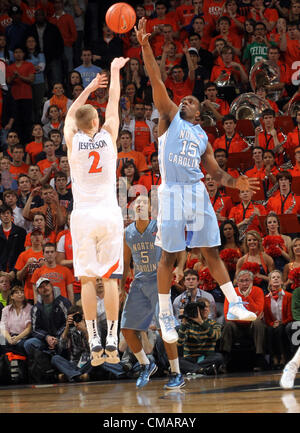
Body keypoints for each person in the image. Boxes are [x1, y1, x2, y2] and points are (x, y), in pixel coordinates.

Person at [135, 17, 258, 389]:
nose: (183, 99)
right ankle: (164, 313)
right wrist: (144, 46)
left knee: (211, 252)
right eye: (182, 98)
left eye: (188, 99)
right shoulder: (169, 120)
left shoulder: (202, 134)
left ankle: (234, 301)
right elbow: (157, 80)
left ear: (198, 113)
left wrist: (236, 182)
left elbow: (217, 174)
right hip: (172, 192)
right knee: (168, 258)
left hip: (198, 191)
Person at [63, 58, 128, 366]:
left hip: (83, 216)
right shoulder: (108, 136)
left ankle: (93, 341)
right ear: (96, 123)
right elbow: (114, 100)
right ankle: (112, 339)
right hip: (109, 214)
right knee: (111, 278)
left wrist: (87, 89)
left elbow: (69, 115)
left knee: (88, 280)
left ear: (78, 125)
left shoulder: (72, 140)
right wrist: (114, 72)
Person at [120, 195, 161, 388]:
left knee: (165, 329)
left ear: (151, 209)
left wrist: (177, 268)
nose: (139, 205)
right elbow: (126, 262)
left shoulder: (158, 226)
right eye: (136, 203)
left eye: (143, 202)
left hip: (159, 281)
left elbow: (176, 250)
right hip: (139, 282)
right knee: (126, 329)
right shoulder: (127, 232)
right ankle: (146, 364)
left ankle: (176, 370)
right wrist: (121, 288)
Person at [220, 270, 266, 372]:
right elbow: (228, 315)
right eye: (241, 281)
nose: (244, 283)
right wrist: (247, 316)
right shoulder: (232, 293)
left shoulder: (258, 291)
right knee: (228, 325)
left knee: (258, 323)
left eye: (247, 280)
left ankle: (259, 358)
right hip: (237, 327)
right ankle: (224, 360)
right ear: (237, 282)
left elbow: (258, 312)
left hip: (251, 327)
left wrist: (247, 296)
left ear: (252, 282)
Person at [23, 277, 71, 357]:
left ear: (52, 287)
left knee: (68, 338)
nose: (45, 288)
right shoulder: (35, 308)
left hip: (63, 336)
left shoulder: (64, 302)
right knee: (28, 344)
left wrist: (57, 338)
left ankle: (63, 361)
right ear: (38, 291)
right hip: (45, 340)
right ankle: (44, 363)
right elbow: (35, 329)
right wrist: (47, 337)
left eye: (47, 285)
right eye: (41, 287)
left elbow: (69, 322)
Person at [177, 297, 224, 375]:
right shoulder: (188, 324)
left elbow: (216, 336)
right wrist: (184, 323)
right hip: (191, 358)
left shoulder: (214, 324)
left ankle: (193, 369)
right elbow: (179, 343)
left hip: (207, 357)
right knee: (177, 361)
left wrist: (201, 322)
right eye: (202, 307)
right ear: (197, 309)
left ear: (209, 309)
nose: (205, 309)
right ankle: (203, 370)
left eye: (207, 307)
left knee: (219, 357)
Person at [50, 305, 91, 382]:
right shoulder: (70, 330)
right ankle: (78, 376)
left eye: (77, 317)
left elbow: (94, 347)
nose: (75, 320)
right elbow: (61, 347)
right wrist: (67, 328)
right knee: (55, 358)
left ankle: (70, 375)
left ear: (83, 316)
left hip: (88, 362)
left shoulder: (91, 327)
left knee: (97, 360)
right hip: (74, 362)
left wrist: (85, 331)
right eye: (73, 318)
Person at [264, 270, 292, 370]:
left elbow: (290, 315)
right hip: (273, 324)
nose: (276, 279)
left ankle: (284, 357)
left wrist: (281, 322)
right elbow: (267, 317)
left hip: (285, 323)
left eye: (278, 277)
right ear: (270, 282)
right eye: (273, 277)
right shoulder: (266, 298)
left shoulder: (288, 296)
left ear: (281, 282)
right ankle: (274, 358)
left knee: (279, 329)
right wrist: (272, 323)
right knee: (269, 330)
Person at [235, 230, 275, 294]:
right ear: (246, 243)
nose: (252, 242)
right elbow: (235, 281)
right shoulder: (241, 260)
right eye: (249, 240)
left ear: (258, 242)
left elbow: (273, 280)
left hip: (264, 292)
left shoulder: (267, 258)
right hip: (246, 293)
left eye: (254, 240)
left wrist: (260, 276)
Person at [0, 285, 32, 356]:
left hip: (23, 337)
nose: (20, 294)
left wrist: (17, 338)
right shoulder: (6, 310)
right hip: (10, 336)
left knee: (21, 344)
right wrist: (9, 339)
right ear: (12, 296)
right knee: (1, 339)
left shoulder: (29, 308)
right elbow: (3, 327)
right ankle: (5, 361)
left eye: (22, 292)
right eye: (17, 292)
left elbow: (29, 328)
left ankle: (22, 363)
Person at [15, 227, 44, 303]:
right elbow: (19, 277)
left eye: (39, 234)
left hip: (46, 292)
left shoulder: (48, 253)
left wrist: (45, 266)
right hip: (29, 294)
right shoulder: (24, 255)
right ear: (30, 237)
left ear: (42, 237)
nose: (37, 237)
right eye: (34, 235)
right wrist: (26, 266)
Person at [0, 203, 26, 278]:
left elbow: (22, 253)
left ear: (11, 215)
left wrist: (14, 270)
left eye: (8, 213)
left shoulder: (21, 232)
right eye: (3, 213)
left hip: (17, 272)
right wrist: (0, 271)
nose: (6, 215)